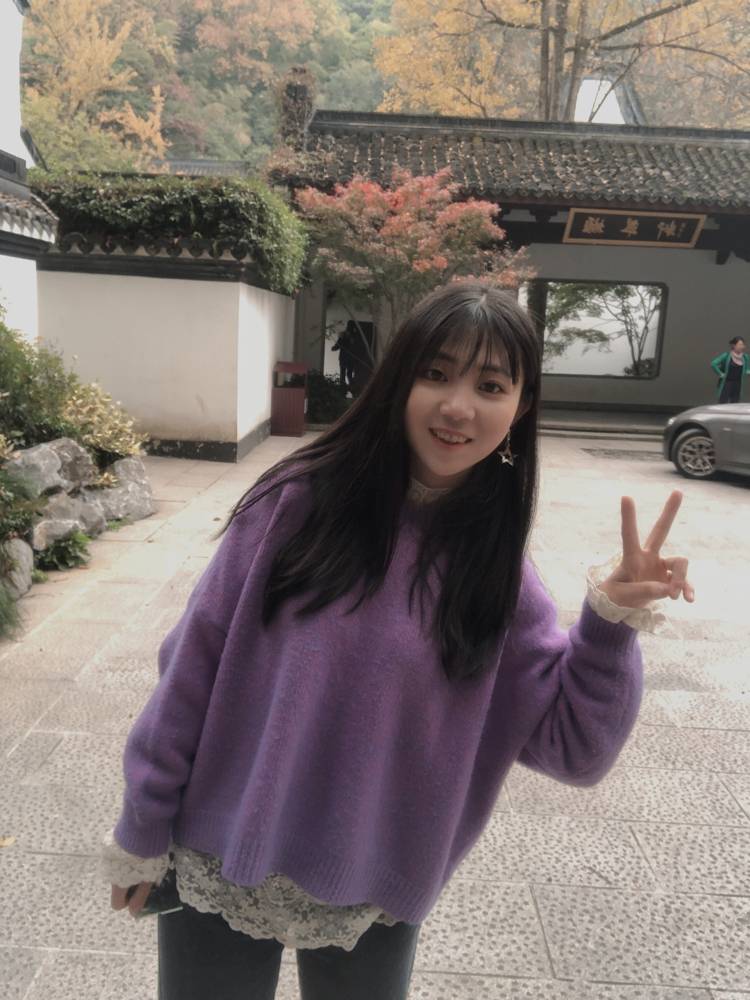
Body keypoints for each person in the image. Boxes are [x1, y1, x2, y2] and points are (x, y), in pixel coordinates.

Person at [104, 282, 693, 1000]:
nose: (458, 407)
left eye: (490, 385)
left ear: (521, 408)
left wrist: (610, 622)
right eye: (436, 373)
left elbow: (576, 752)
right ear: (398, 380)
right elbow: (190, 670)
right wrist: (142, 828)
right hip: (217, 853)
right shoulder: (295, 504)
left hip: (375, 894)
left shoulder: (496, 577)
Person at [711, 336, 749, 403]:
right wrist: (720, 374)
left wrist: (748, 371)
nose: (742, 346)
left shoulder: (745, 357)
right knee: (723, 401)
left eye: (743, 345)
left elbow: (747, 369)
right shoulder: (726, 355)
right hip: (727, 383)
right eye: (740, 344)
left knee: (735, 402)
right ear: (734, 345)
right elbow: (713, 363)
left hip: (738, 383)